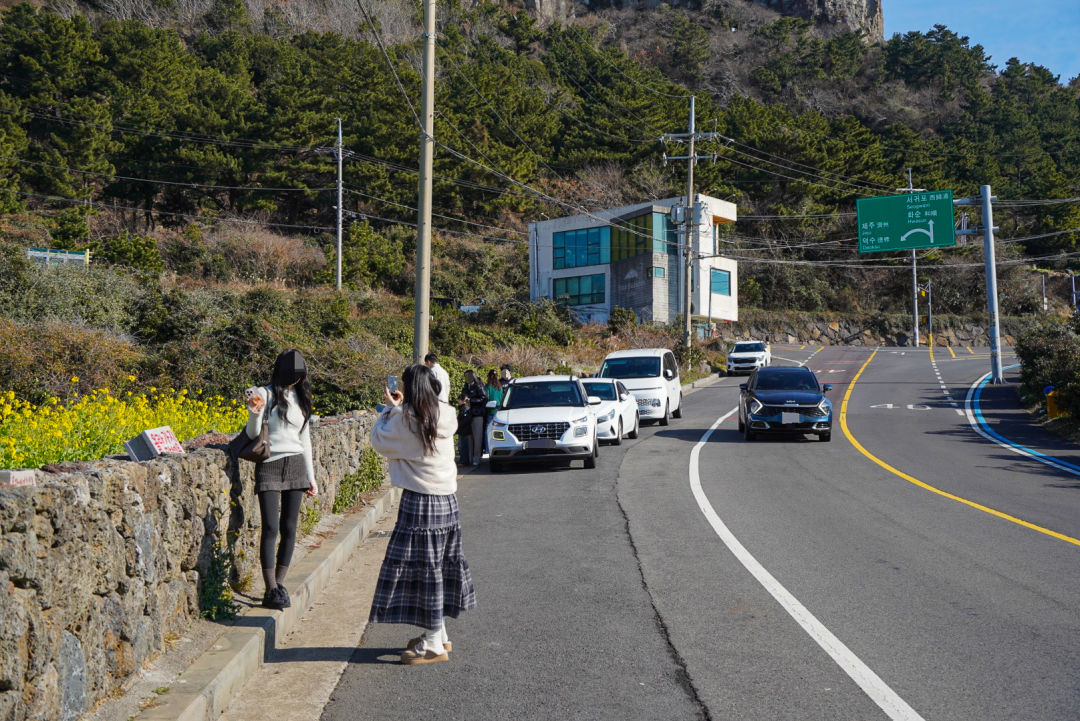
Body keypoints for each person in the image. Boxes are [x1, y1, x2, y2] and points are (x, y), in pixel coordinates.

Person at [368, 364, 477, 665]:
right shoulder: (445, 414)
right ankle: (439, 634)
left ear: (409, 388)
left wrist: (389, 410)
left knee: (424, 573)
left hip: (421, 502)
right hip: (447, 502)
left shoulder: (407, 419)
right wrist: (399, 408)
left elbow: (379, 440)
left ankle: (432, 644)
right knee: (437, 568)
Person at [244, 349, 318, 610]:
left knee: (289, 528)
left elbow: (304, 440)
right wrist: (255, 412)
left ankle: (279, 584)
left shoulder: (300, 397)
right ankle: (270, 589)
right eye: (293, 377)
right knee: (270, 528)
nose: (295, 381)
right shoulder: (263, 393)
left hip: (296, 466)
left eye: (299, 377)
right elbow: (253, 433)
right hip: (269, 465)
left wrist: (311, 477)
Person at [457, 370, 487, 466]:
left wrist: (471, 400)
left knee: (477, 438)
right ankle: (469, 459)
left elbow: (484, 398)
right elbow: (462, 396)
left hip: (477, 414)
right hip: (467, 414)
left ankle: (476, 458)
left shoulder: (479, 385)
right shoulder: (466, 386)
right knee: (469, 438)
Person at [482, 369, 503, 457]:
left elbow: (486, 398)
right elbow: (501, 398)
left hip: (490, 410)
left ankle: (487, 450)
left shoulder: (488, 387)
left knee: (488, 431)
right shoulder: (499, 387)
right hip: (499, 411)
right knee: (499, 430)